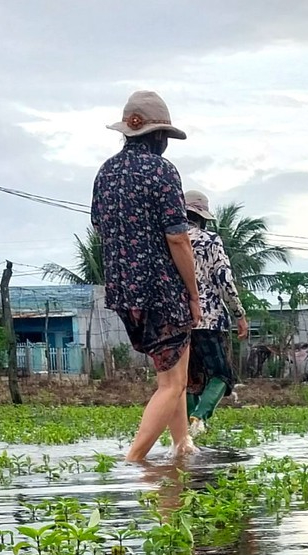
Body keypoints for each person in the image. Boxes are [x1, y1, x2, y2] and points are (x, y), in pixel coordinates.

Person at [91, 90, 203, 464]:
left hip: (123, 289)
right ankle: (133, 460)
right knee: (171, 384)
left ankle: (183, 444)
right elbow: (177, 237)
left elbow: (98, 226)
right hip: (161, 289)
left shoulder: (105, 172)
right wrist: (193, 293)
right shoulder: (162, 171)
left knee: (174, 378)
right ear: (158, 136)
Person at [181, 190, 248, 432]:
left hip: (178, 320)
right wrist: (239, 314)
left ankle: (189, 429)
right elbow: (224, 280)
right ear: (202, 217)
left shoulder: (167, 241)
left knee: (189, 379)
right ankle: (199, 418)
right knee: (222, 375)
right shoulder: (209, 241)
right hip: (209, 320)